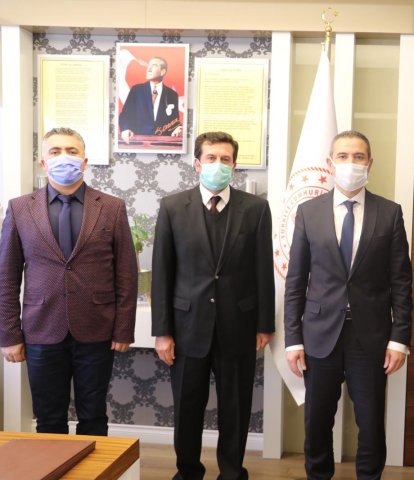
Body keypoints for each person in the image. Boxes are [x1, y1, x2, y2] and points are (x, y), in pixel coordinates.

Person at [284, 130, 413, 480]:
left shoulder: (389, 213)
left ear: (370, 164)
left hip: (370, 337)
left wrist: (399, 339)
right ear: (330, 163)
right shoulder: (308, 212)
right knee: (316, 422)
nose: (351, 163)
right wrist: (293, 339)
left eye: (358, 157)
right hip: (319, 335)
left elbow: (401, 282)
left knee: (370, 424)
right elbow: (295, 281)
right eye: (343, 156)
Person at [152, 131, 274, 480]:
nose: (218, 164)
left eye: (225, 159)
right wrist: (163, 332)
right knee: (187, 407)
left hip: (239, 326)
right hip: (187, 327)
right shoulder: (172, 207)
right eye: (211, 158)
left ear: (234, 165)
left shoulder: (256, 209)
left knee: (236, 408)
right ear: (197, 163)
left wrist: (265, 324)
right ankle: (188, 471)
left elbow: (263, 269)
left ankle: (232, 472)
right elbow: (162, 272)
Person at [0, 127, 137, 435]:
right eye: (55, 151)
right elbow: (6, 278)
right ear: (43, 162)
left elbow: (126, 273)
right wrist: (8, 334)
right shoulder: (20, 208)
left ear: (84, 161)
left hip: (97, 330)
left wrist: (123, 328)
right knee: (48, 420)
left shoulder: (112, 207)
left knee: (94, 417)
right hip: (41, 330)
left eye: (72, 151)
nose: (64, 157)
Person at [119, 56, 182, 143]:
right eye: (148, 66)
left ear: (163, 72)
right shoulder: (136, 90)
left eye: (154, 66)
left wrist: (176, 129)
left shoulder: (172, 94)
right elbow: (125, 114)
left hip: (163, 143)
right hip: (138, 142)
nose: (148, 69)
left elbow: (174, 122)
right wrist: (125, 129)